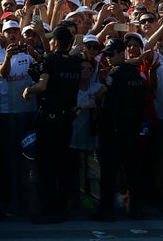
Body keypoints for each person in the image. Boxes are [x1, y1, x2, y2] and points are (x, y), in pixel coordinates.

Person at [23, 25, 81, 223]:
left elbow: (42, 85)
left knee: (46, 167)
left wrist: (29, 90)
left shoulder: (50, 60)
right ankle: (62, 208)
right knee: (63, 166)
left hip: (50, 120)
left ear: (56, 42)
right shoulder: (75, 63)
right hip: (67, 120)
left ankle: (49, 210)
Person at [91, 38, 146, 221]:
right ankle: (136, 209)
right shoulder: (134, 72)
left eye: (111, 54)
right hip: (133, 130)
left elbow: (100, 94)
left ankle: (106, 211)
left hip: (114, 131)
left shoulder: (114, 73)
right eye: (106, 54)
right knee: (134, 173)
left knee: (108, 174)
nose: (108, 58)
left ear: (121, 53)